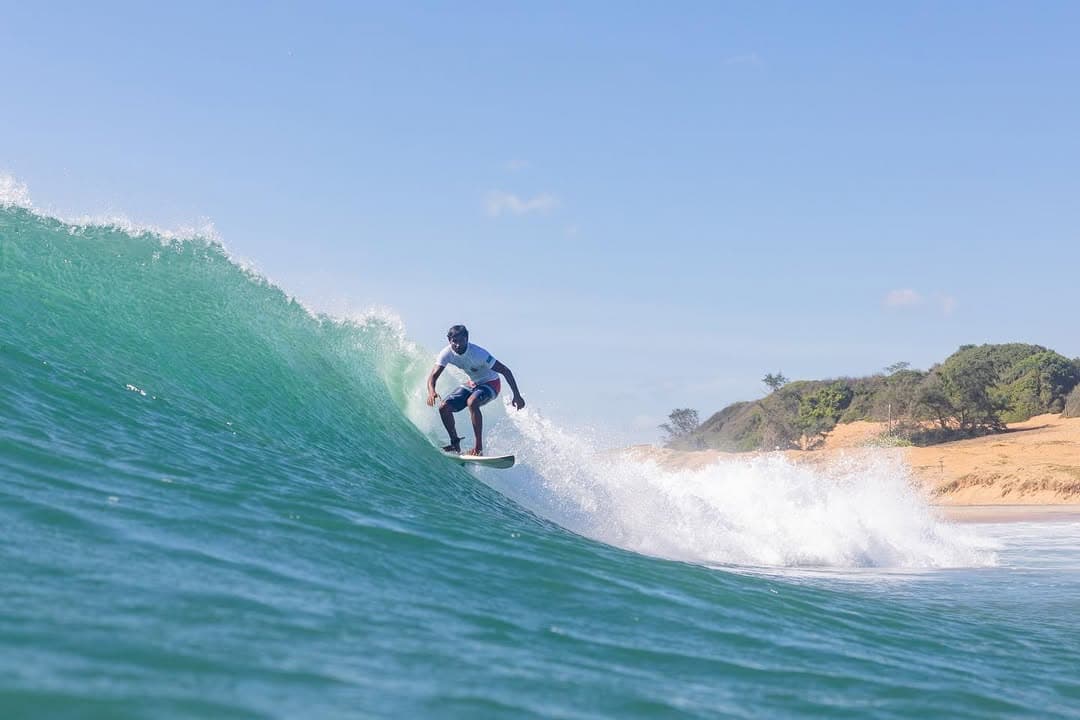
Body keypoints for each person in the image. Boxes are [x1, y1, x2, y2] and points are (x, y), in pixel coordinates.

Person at [426, 324, 525, 455]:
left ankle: (478, 449)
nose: (457, 345)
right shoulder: (446, 353)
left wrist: (516, 396)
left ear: (467, 339)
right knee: (444, 407)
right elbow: (433, 376)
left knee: (472, 402)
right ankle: (455, 443)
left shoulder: (479, 353)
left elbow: (506, 371)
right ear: (449, 340)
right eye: (454, 341)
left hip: (492, 384)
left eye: (461, 340)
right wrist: (432, 391)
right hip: (473, 384)